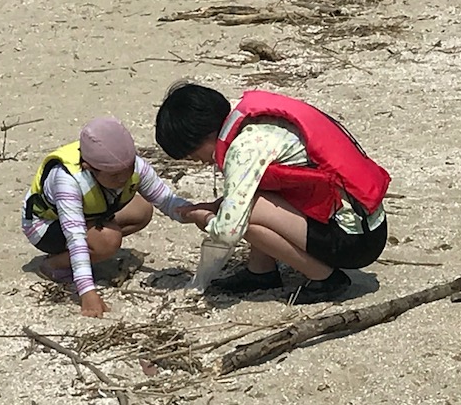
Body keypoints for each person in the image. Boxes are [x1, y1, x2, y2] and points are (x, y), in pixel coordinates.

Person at [155, 81, 390, 304]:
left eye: (192, 152)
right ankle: (260, 271)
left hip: (354, 241)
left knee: (247, 215)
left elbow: (228, 232)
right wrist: (218, 206)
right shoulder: (251, 121)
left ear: (203, 136)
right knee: (247, 201)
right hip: (367, 224)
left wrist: (205, 218)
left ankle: (325, 278)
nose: (196, 160)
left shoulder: (243, 149)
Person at [21, 116, 190, 318]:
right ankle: (54, 265)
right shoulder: (67, 180)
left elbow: (166, 200)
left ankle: (93, 246)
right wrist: (87, 291)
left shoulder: (130, 165)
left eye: (127, 170)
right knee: (109, 240)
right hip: (46, 226)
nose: (123, 179)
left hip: (89, 214)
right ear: (89, 168)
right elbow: (75, 236)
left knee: (142, 209)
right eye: (114, 175)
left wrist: (199, 214)